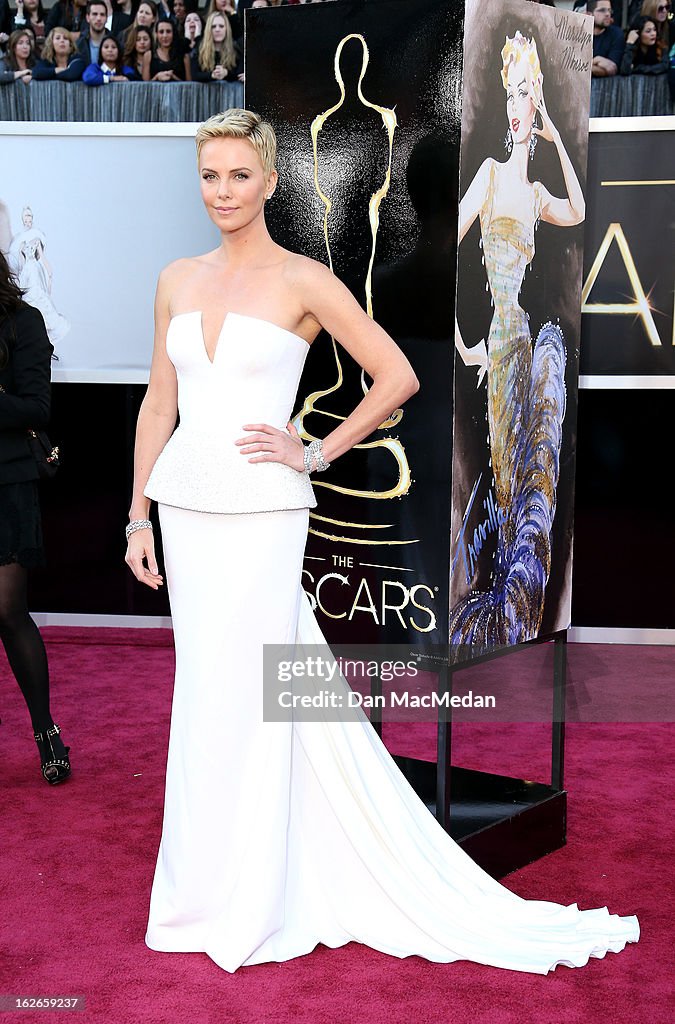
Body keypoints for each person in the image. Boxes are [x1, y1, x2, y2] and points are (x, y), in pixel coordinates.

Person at [126, 106, 639, 975]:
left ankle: (252, 895)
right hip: (185, 506)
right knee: (205, 693)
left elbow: (396, 377)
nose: (222, 192)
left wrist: (314, 448)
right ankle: (204, 887)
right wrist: (138, 513)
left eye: (238, 176)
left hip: (263, 509)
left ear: (271, 181)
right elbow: (158, 401)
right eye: (209, 176)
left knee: (249, 692)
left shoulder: (303, 280)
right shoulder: (176, 277)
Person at [0, 249, 71, 786]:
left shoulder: (23, 320)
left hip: (5, 480)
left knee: (7, 610)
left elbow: (37, 407)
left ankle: (46, 731)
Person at [189, 10, 240, 81]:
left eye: (221, 26)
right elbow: (194, 75)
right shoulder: (199, 49)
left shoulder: (235, 49)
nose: (217, 29)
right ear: (208, 29)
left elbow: (239, 74)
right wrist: (211, 75)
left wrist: (226, 73)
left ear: (226, 29)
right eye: (213, 26)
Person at [590, 0, 625, 75]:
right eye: (602, 10)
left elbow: (611, 69)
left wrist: (584, 67)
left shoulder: (616, 34)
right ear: (590, 14)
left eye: (609, 10)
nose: (607, 14)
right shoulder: (579, 33)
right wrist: (596, 60)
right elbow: (570, 67)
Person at [76, 0, 109, 64]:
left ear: (106, 18)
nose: (99, 18)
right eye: (95, 14)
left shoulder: (115, 41)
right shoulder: (79, 44)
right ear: (87, 18)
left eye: (102, 15)